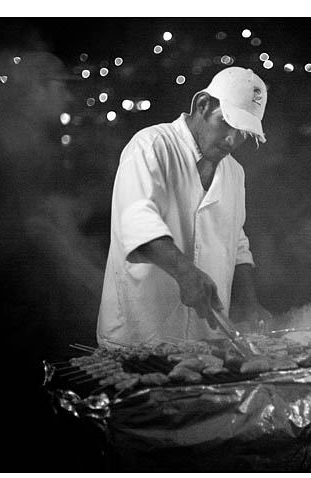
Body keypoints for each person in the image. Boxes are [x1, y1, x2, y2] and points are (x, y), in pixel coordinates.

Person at [97, 66, 272, 346]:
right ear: (203, 105)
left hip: (207, 342)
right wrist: (186, 273)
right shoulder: (150, 146)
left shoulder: (235, 173)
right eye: (226, 123)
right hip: (139, 339)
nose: (232, 140)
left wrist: (250, 305)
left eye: (243, 133)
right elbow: (136, 224)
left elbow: (237, 243)